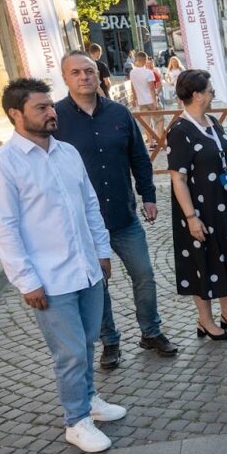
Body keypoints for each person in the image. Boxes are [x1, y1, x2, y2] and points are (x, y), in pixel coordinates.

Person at [0, 78, 125, 453]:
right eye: (40, 108)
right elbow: (3, 230)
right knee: (69, 353)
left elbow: (90, 205)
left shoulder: (67, 153)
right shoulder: (1, 166)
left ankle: (89, 400)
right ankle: (76, 421)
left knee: (86, 343)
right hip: (49, 279)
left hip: (86, 269)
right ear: (16, 114)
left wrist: (101, 251)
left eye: (50, 106)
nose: (51, 112)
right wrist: (26, 281)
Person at [55, 51, 178, 370]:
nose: (84, 76)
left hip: (124, 215)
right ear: (65, 78)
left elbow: (139, 157)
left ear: (98, 74)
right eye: (75, 72)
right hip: (83, 223)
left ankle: (151, 331)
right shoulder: (56, 119)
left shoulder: (119, 114)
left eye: (89, 70)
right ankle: (109, 341)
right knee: (98, 284)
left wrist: (148, 195)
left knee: (144, 274)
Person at [166, 70, 227, 339]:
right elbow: (178, 179)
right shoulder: (180, 131)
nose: (213, 94)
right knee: (202, 262)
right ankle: (205, 320)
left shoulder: (212, 122)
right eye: (210, 90)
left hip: (224, 205)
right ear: (197, 95)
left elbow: (223, 159)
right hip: (199, 209)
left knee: (226, 257)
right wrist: (191, 217)